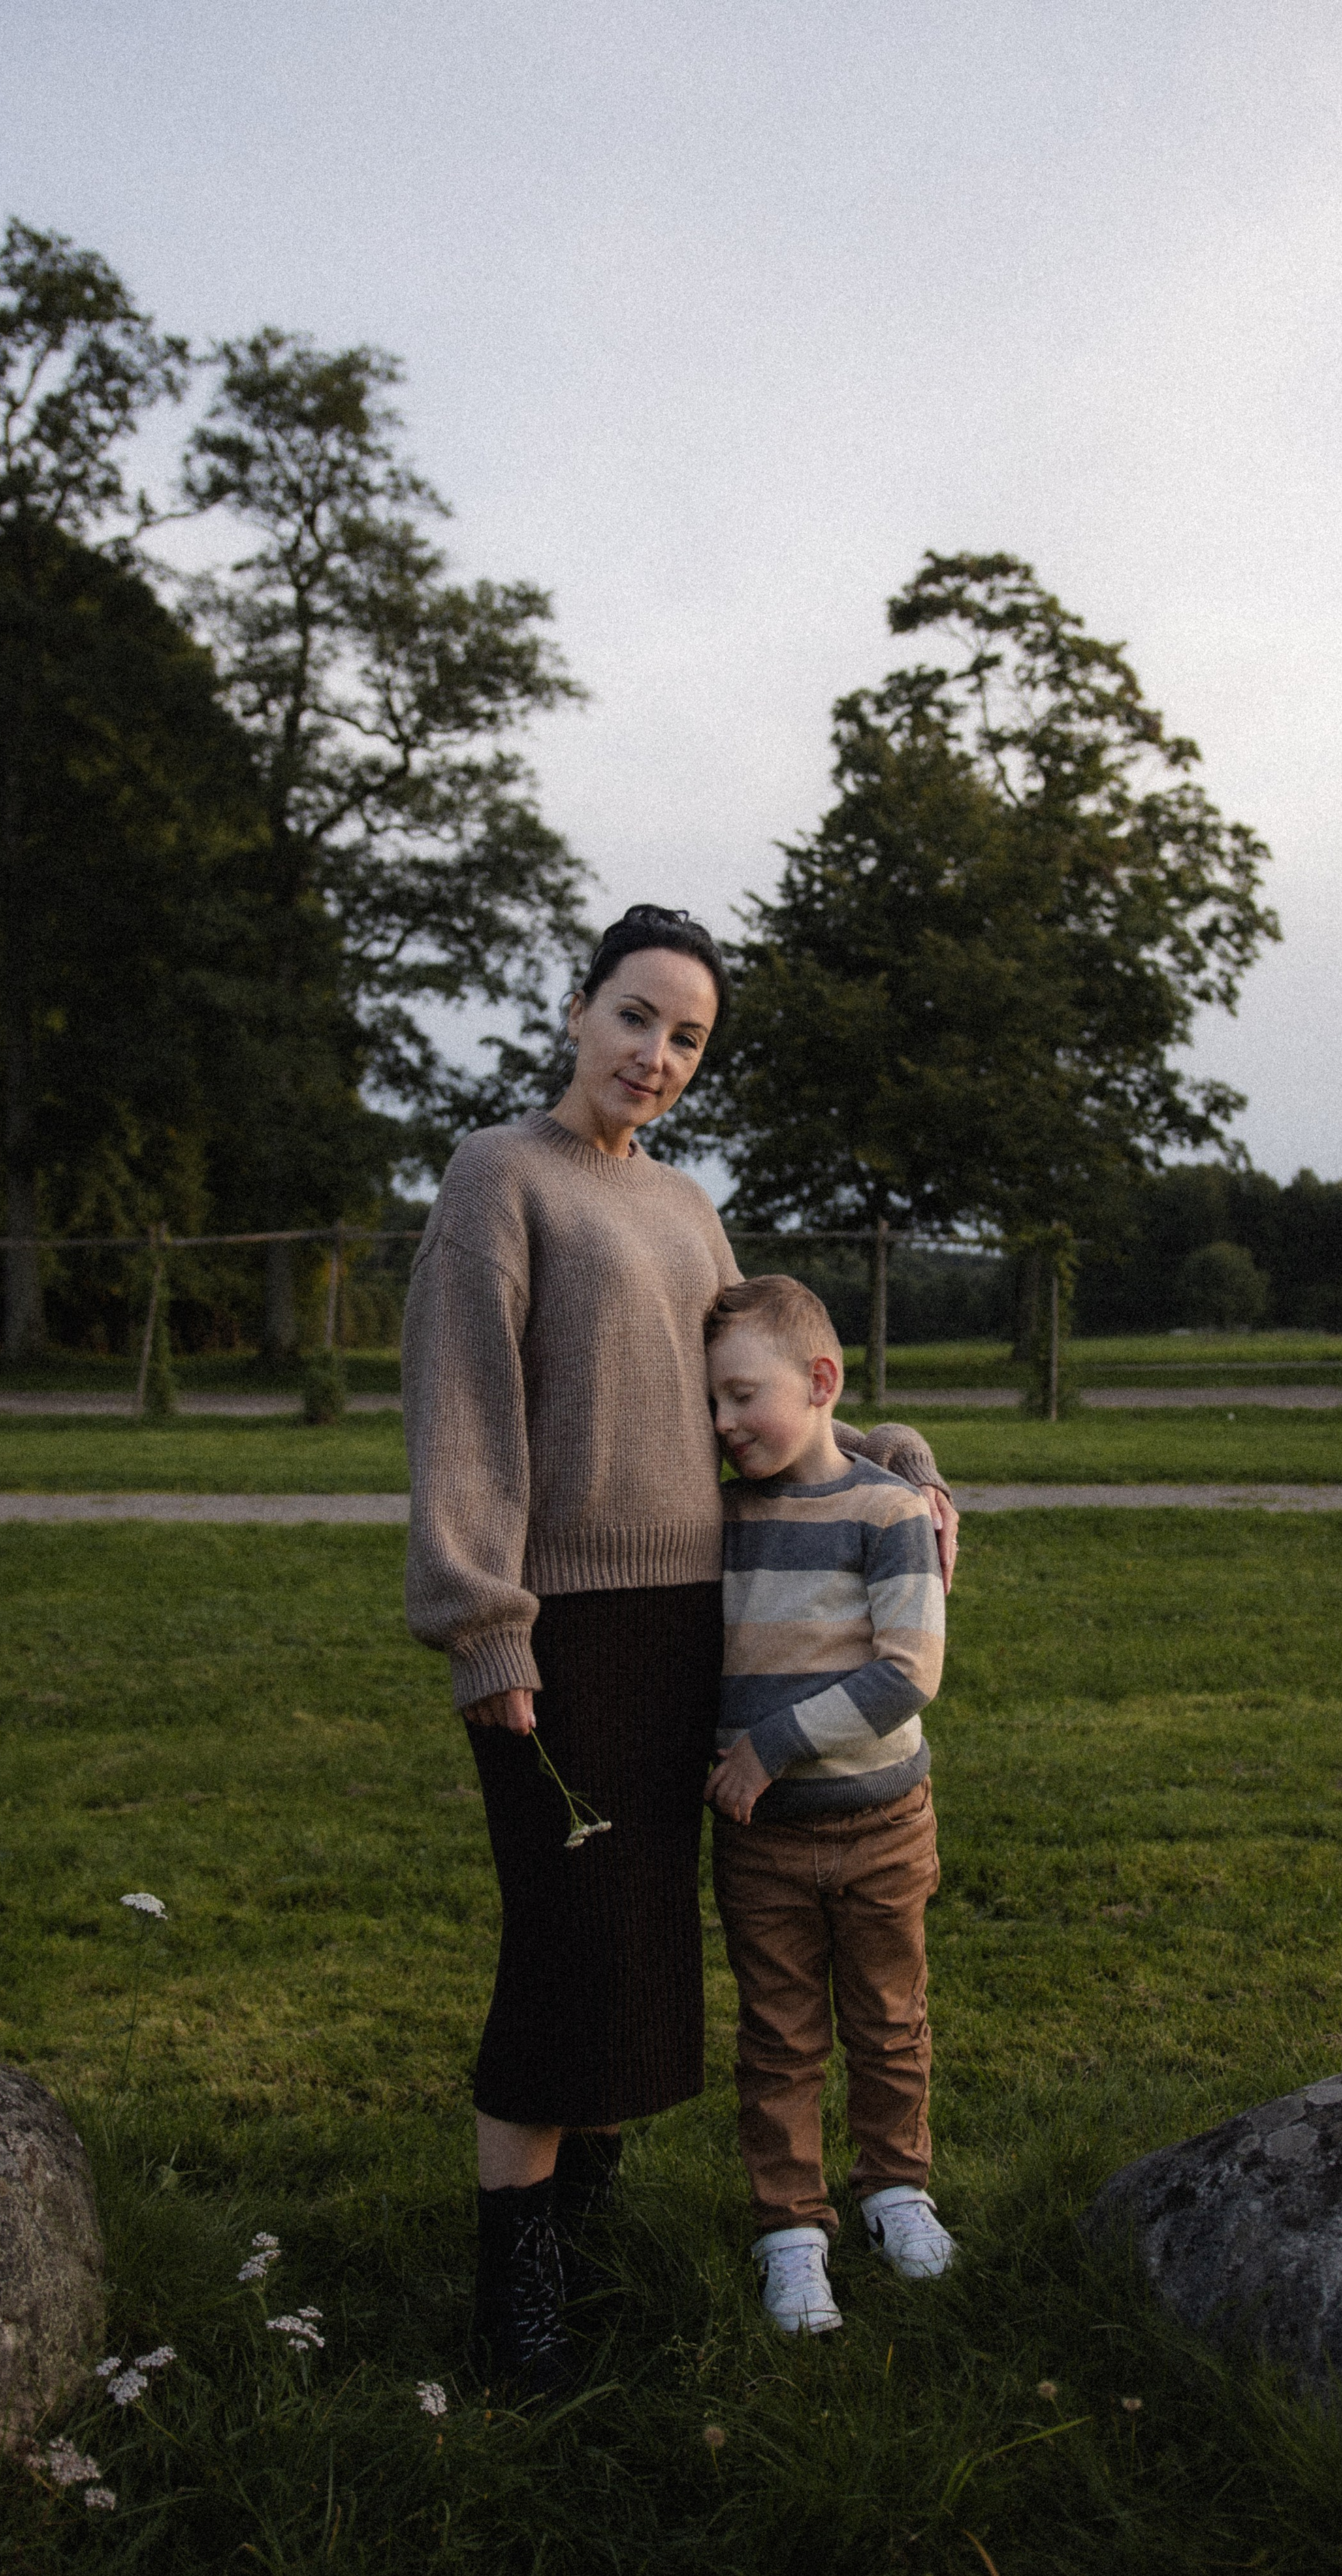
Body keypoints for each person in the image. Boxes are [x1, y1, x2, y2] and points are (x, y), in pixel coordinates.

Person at [400, 905, 957, 2390]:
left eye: (686, 1038)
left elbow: (749, 1387)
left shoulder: (687, 1208)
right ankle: (509, 2294)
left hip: (697, 1633)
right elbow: (462, 1415)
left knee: (644, 1960)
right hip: (559, 1637)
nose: (655, 1055)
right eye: (635, 1017)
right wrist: (485, 1629)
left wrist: (881, 1448)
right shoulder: (496, 1176)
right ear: (577, 1010)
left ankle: (578, 2237)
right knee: (566, 1952)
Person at [703, 1274, 955, 2336]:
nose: (724, 1425)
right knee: (780, 2037)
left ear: (820, 1382)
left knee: (889, 2019)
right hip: (762, 1845)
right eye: (709, 1404)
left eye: (742, 1397)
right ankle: (790, 2233)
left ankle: (897, 2188)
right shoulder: (716, 1517)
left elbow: (909, 1674)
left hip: (882, 1825)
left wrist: (768, 1747)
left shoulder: (890, 1514)